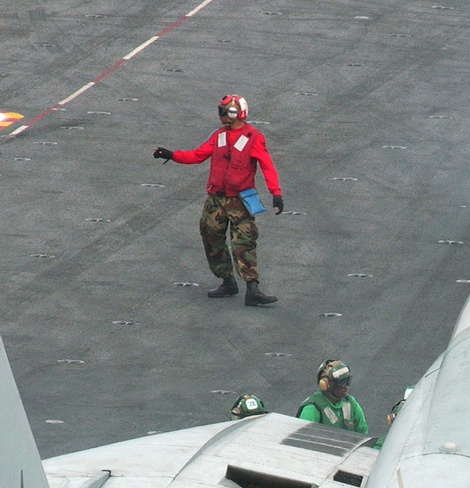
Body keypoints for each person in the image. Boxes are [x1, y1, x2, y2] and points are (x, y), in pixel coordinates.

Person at [153, 94, 283, 307]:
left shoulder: (253, 137)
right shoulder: (219, 136)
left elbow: (267, 165)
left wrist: (275, 193)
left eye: (223, 111)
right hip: (216, 200)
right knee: (211, 237)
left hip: (240, 200)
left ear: (234, 113)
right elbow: (197, 155)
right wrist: (171, 154)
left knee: (244, 242)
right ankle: (227, 280)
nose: (220, 115)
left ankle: (253, 288)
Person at [297, 360, 369, 433]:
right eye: (341, 383)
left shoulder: (350, 403)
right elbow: (303, 437)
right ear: (326, 384)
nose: (346, 387)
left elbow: (363, 433)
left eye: (347, 381)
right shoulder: (312, 409)